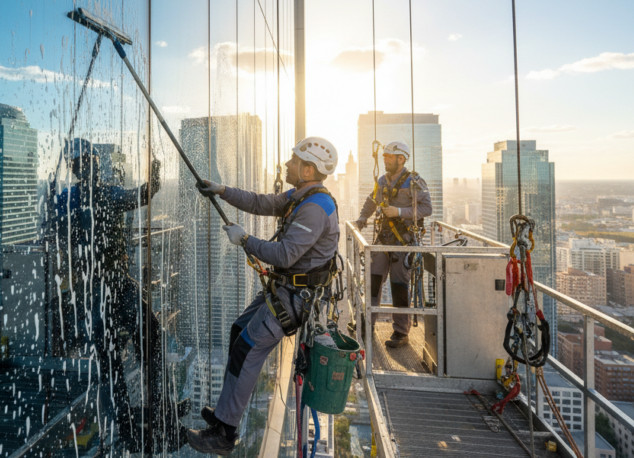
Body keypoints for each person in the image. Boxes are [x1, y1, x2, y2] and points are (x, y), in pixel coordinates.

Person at [186, 137, 341, 456]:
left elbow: (283, 255)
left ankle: (225, 434)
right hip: (285, 289)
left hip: (296, 297)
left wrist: (245, 239)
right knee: (237, 334)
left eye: (294, 160)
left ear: (308, 169)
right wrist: (222, 191)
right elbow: (261, 203)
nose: (287, 164)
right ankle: (222, 417)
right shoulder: (301, 196)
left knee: (246, 347)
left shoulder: (315, 208)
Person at [46, 138, 187, 452]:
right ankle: (157, 411)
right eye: (90, 162)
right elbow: (144, 195)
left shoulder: (67, 199)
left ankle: (131, 426)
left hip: (95, 289)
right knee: (148, 344)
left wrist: (52, 196)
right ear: (92, 165)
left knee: (113, 365)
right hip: (115, 284)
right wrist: (155, 173)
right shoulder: (102, 193)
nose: (92, 166)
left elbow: (57, 227)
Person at [354, 141, 432, 349]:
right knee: (373, 283)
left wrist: (399, 212)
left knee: (399, 287)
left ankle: (400, 332)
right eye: (385, 156)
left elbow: (426, 208)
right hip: (383, 240)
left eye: (389, 156)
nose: (385, 159)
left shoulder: (414, 181)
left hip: (402, 242)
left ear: (401, 158)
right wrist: (362, 219)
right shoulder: (382, 180)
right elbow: (372, 200)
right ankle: (367, 325)